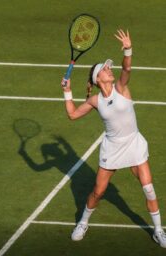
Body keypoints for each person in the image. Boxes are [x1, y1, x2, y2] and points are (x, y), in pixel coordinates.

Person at [61, 29, 166, 248]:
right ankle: (83, 222)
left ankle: (158, 231)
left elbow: (127, 67)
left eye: (109, 68)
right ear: (98, 78)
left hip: (134, 144)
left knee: (148, 188)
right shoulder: (95, 101)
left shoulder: (121, 87)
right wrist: (67, 92)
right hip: (112, 149)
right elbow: (72, 115)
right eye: (106, 69)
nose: (110, 70)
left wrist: (128, 49)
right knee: (98, 192)